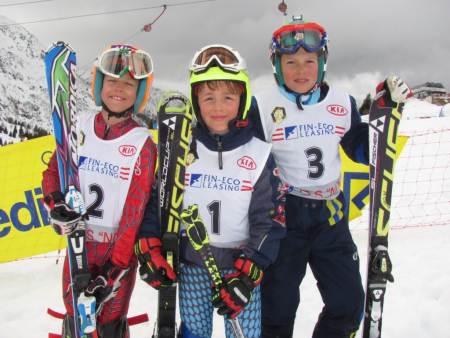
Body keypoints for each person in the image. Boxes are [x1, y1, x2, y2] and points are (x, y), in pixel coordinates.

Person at [251, 16, 411, 338]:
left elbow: (362, 150)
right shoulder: (263, 105)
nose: (300, 69)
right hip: (285, 219)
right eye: (291, 62)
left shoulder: (342, 102)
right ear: (276, 65)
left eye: (309, 61)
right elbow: (248, 161)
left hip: (330, 215)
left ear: (322, 62)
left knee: (349, 303)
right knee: (277, 309)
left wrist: (385, 112)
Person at [136, 44, 287, 338]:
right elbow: (160, 201)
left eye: (228, 97)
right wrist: (149, 244)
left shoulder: (258, 154)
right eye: (208, 98)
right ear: (196, 100)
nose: (218, 107)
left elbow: (269, 220)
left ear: (241, 99)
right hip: (192, 264)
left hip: (239, 267)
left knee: (247, 333)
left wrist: (250, 271)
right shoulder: (181, 148)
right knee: (194, 332)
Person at [42, 44, 157, 337]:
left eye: (129, 84)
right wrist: (54, 201)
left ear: (140, 93)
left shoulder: (143, 144)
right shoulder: (79, 125)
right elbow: (54, 171)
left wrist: (114, 269)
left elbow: (135, 212)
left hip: (115, 253)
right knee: (74, 315)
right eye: (112, 81)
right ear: (98, 85)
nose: (119, 89)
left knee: (107, 321)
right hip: (78, 244)